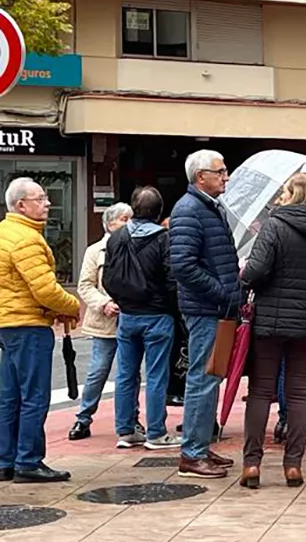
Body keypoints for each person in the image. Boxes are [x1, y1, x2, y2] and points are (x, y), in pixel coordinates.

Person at [240, 173, 306, 489]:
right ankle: (293, 466)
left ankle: (252, 465)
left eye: (284, 192)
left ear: (294, 195)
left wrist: (247, 273)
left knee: (260, 392)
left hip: (270, 322)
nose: (280, 198)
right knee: (298, 393)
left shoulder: (275, 225)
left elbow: (255, 272)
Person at [0, 177, 82, 483]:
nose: (47, 203)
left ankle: (6, 460)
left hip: (8, 325)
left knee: (10, 397)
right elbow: (45, 289)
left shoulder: (4, 232)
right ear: (22, 205)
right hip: (29, 325)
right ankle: (28, 461)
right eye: (41, 198)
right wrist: (71, 305)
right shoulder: (27, 240)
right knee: (34, 397)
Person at [169, 150, 240, 479]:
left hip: (215, 308)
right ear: (201, 177)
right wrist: (222, 291)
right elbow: (183, 265)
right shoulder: (189, 210)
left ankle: (199, 446)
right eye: (220, 171)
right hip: (206, 309)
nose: (226, 176)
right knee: (202, 379)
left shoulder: (207, 207)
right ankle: (192, 454)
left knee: (210, 377)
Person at [104, 186, 180, 451]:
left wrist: (122, 301)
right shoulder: (163, 239)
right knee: (157, 375)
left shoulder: (117, 238)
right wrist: (174, 309)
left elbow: (108, 278)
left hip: (127, 315)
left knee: (126, 374)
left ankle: (126, 429)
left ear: (133, 209)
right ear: (159, 211)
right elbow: (172, 280)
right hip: (157, 315)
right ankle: (157, 432)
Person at [70, 202, 143, 442]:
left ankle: (132, 418)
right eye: (124, 219)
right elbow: (85, 285)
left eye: (131, 219)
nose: (129, 224)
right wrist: (104, 303)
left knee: (131, 373)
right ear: (109, 223)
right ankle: (83, 418)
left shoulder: (138, 247)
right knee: (98, 371)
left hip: (131, 319)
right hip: (105, 322)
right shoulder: (95, 251)